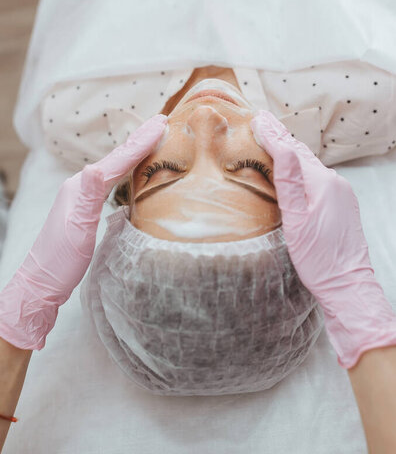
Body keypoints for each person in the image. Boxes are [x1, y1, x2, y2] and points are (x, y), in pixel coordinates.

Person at [1, 109, 396, 453]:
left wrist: (26, 303)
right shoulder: (369, 109)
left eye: (163, 171)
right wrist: (352, 300)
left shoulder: (74, 117)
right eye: (252, 170)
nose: (206, 120)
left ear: (127, 196)